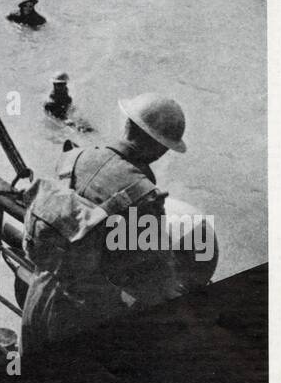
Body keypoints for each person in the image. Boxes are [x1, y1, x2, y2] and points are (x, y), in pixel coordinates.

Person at [21, 94, 189, 353]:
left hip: (39, 291)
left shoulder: (75, 158)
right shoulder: (144, 198)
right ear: (160, 148)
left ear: (127, 125)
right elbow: (156, 279)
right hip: (80, 315)